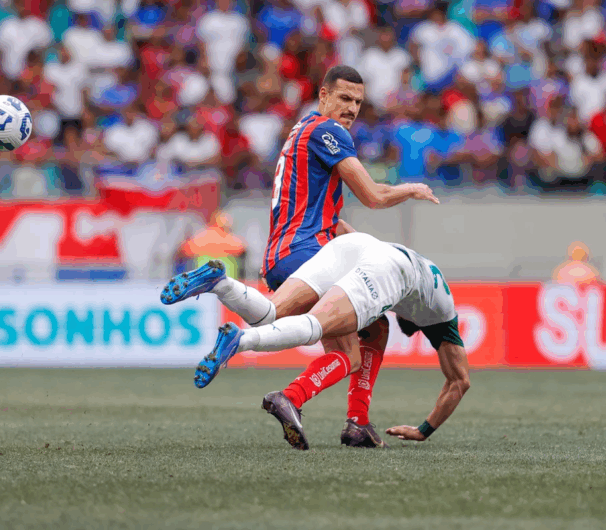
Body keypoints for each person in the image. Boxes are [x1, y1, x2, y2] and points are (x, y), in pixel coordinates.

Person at [161, 65, 440, 448]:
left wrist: (366, 252)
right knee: (348, 354)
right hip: (310, 251)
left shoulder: (301, 130)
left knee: (368, 329)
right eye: (344, 98)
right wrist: (411, 189)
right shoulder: (329, 132)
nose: (352, 108)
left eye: (358, 102)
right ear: (323, 95)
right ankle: (291, 393)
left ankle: (354, 421)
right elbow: (373, 196)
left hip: (283, 253)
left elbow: (330, 218)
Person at [193, 232, 470, 450]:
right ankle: (245, 345)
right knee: (324, 332)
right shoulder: (440, 314)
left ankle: (223, 285)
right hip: (389, 268)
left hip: (353, 246)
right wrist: (423, 431)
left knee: (273, 311)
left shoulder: (425, 279)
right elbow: (460, 381)